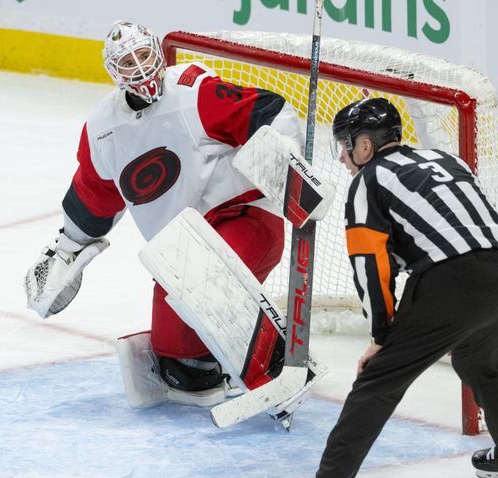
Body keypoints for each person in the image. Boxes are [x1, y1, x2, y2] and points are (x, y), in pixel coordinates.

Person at [24, 21, 304, 407]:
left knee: (203, 278)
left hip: (245, 214)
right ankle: (206, 365)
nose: (139, 68)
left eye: (143, 55)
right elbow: (94, 195)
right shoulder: (102, 131)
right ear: (112, 71)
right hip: (184, 247)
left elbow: (267, 110)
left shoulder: (194, 92)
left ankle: (274, 359)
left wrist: (283, 155)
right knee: (178, 354)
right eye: (127, 61)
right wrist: (68, 249)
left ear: (157, 52)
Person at [302, 98, 498, 478]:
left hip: (455, 281)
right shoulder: (445, 160)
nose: (341, 157)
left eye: (343, 145)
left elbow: (372, 264)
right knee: (480, 361)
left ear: (364, 146)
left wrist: (382, 337)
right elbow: (442, 226)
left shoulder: (368, 181)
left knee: (378, 382)